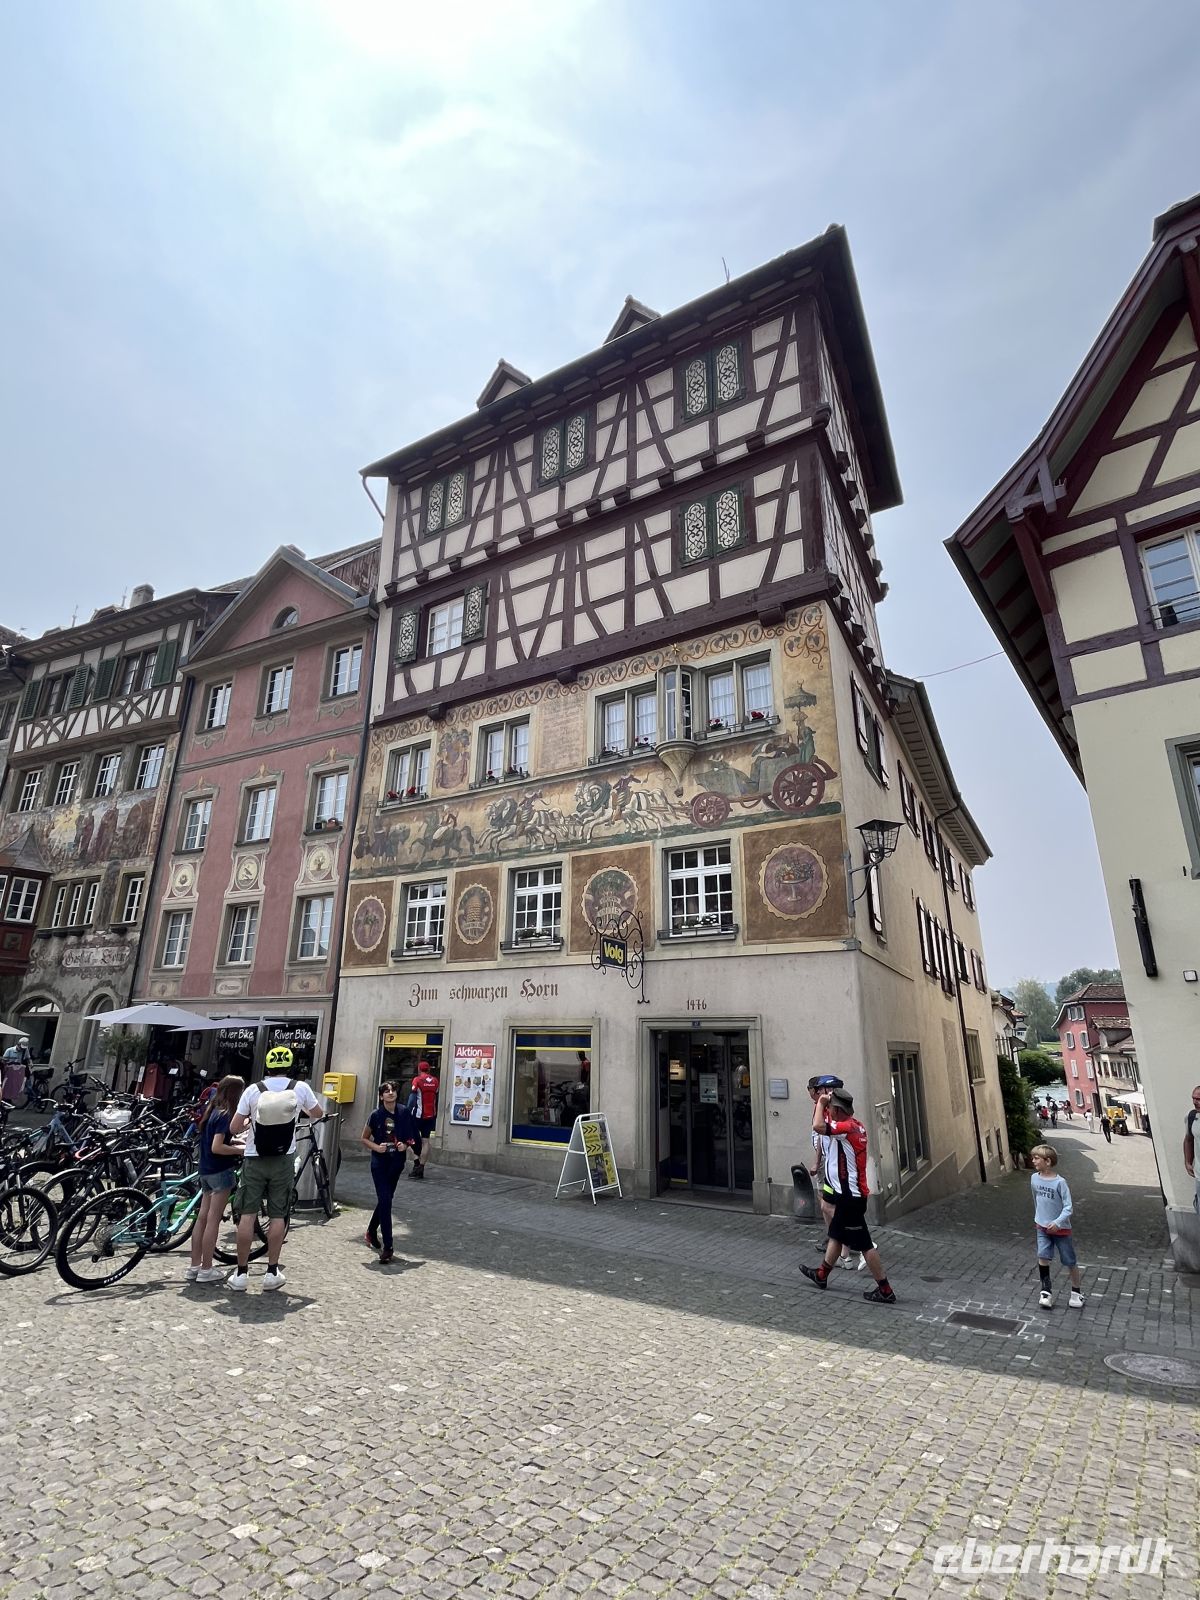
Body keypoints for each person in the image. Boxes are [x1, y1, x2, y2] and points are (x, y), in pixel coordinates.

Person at [227, 1048, 324, 1292]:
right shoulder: (299, 1088)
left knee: (247, 1215)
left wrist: (250, 1121)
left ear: (267, 1067)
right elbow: (318, 1114)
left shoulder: (253, 1090)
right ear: (290, 1066)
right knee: (278, 1215)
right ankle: (272, 1271)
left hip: (254, 1157)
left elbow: (234, 1126)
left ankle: (241, 1273)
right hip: (283, 1158)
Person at [800, 1088, 896, 1304]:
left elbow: (817, 1126)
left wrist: (821, 1102)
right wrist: (825, 1104)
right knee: (836, 1234)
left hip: (851, 1197)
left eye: (831, 1109)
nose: (829, 1112)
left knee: (865, 1244)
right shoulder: (855, 1125)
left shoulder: (846, 1129)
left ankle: (885, 1289)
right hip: (849, 1195)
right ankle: (822, 1275)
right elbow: (825, 1124)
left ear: (837, 1110)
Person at [187, 1075, 245, 1284]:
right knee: (213, 1220)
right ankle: (206, 1268)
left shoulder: (211, 1110)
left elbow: (214, 1140)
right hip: (220, 1171)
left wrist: (234, 1140)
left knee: (201, 1218)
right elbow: (218, 1147)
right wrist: (240, 1149)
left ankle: (194, 1266)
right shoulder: (225, 1114)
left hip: (205, 1169)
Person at [805, 1074, 863, 1270]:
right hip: (830, 1172)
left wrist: (822, 1105)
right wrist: (817, 1161)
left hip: (842, 1177)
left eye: (819, 1090)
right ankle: (840, 1255)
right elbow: (821, 1139)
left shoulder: (841, 1119)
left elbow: (819, 1129)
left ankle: (862, 1246)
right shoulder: (826, 1110)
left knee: (834, 1211)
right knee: (826, 1207)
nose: (815, 1093)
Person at [360, 1080, 417, 1263]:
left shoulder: (404, 1112)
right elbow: (364, 1138)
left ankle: (370, 1231)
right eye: (387, 1091)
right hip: (380, 1163)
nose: (390, 1093)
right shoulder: (376, 1115)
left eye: (393, 1090)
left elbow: (410, 1136)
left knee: (386, 1200)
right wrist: (376, 1148)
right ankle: (389, 1246)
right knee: (385, 1200)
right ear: (381, 1096)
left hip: (396, 1163)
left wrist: (405, 1145)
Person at [1030, 1143, 1084, 1308]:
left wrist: (1057, 1222)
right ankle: (1046, 1292)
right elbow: (1036, 1199)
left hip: (1061, 1230)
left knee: (1069, 1261)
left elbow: (1068, 1207)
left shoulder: (1060, 1183)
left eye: (1036, 1158)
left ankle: (1076, 1293)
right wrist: (1039, 1218)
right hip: (1042, 1227)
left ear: (1048, 1161)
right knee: (1043, 1256)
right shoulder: (1034, 1178)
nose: (1033, 1161)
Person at [407, 1059, 440, 1180]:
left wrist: (406, 1111)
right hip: (430, 1115)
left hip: (417, 1115)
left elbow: (412, 1098)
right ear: (429, 1069)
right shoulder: (436, 1081)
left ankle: (416, 1164)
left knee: (409, 1140)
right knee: (425, 1141)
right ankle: (421, 1167)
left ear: (419, 1069)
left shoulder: (417, 1080)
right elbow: (436, 1095)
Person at [1, 1036, 32, 1102]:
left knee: (16, 1085)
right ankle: (5, 1098)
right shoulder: (9, 1050)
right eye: (21, 1047)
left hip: (18, 1072)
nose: (21, 1049)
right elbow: (4, 1061)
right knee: (7, 1085)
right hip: (9, 1071)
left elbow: (28, 1058)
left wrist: (30, 1063)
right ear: (18, 1044)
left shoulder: (25, 1051)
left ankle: (10, 1098)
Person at [1185, 1083, 1200, 1214]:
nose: (1195, 1102)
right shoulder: (1192, 1117)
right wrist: (1188, 1161)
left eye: (1199, 1099)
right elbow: (1189, 1139)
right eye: (1193, 1098)